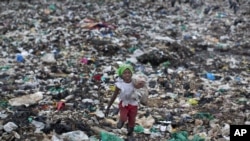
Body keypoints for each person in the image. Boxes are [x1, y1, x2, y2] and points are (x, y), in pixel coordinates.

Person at [105, 63, 145, 139]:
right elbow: (114, 96)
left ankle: (130, 133)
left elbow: (142, 87)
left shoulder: (134, 82)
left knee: (132, 120)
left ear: (131, 74)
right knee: (123, 118)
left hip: (133, 104)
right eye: (125, 73)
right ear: (121, 75)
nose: (127, 75)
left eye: (129, 73)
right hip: (124, 103)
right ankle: (121, 121)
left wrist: (141, 84)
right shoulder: (119, 84)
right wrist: (108, 108)